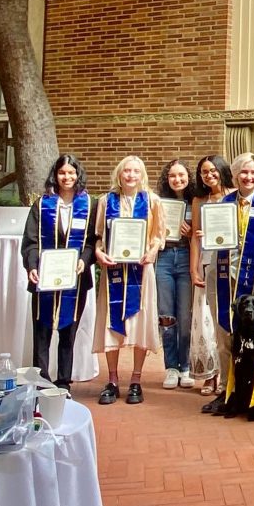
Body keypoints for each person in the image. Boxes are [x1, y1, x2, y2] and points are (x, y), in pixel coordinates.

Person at [201, 152, 254, 415]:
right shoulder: (222, 204)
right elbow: (211, 242)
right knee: (224, 336)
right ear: (234, 175)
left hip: (251, 280)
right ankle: (226, 389)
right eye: (244, 172)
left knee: (250, 339)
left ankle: (250, 392)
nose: (249, 177)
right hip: (221, 277)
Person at [93, 156, 166, 405]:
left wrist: (153, 251)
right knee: (111, 324)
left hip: (141, 270)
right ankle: (112, 380)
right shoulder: (105, 201)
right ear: (119, 174)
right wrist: (99, 252)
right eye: (127, 171)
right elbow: (99, 236)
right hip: (113, 271)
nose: (131, 175)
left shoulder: (152, 201)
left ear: (142, 174)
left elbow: (159, 236)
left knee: (140, 323)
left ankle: (136, 380)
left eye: (136, 171)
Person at [21, 154, 96, 390]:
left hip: (76, 278)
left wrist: (85, 260)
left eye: (71, 173)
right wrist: (32, 266)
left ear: (78, 175)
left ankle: (64, 383)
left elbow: (93, 242)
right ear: (55, 175)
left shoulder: (89, 205)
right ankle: (41, 383)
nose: (67, 177)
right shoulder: (42, 204)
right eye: (62, 173)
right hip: (44, 277)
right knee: (41, 332)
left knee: (68, 332)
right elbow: (31, 241)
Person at [189, 155, 235, 396]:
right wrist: (194, 267)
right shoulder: (199, 200)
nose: (209, 175)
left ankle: (229, 374)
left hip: (231, 264)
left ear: (222, 170)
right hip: (207, 263)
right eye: (204, 172)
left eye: (213, 170)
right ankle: (211, 375)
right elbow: (195, 237)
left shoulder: (235, 194)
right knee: (208, 322)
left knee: (225, 322)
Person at [155, 159, 196, 389]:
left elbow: (201, 236)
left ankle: (186, 366)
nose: (177, 180)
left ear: (188, 177)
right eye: (172, 176)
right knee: (166, 315)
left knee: (185, 316)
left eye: (181, 175)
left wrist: (190, 234)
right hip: (163, 259)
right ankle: (170, 366)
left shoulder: (196, 201)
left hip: (185, 258)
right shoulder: (159, 203)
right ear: (166, 179)